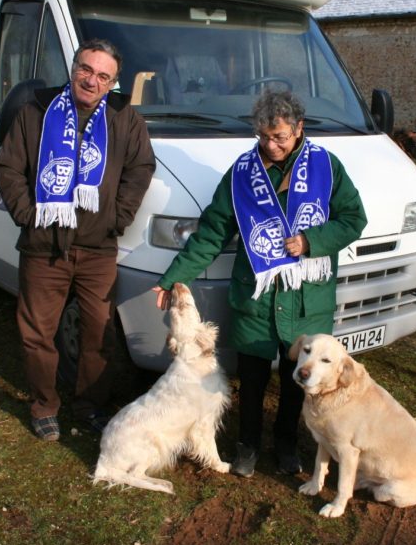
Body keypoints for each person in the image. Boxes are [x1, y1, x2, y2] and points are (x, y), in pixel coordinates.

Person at [152, 91, 366, 476]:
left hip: (306, 300)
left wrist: (311, 241)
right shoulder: (242, 173)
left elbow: (353, 219)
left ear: (299, 129)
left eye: (280, 137)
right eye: (264, 136)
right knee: (250, 382)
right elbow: (213, 231)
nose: (271, 145)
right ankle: (247, 445)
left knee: (294, 381)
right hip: (257, 299)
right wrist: (173, 277)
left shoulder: (327, 167)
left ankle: (285, 444)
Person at [0, 39, 156, 440]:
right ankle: (45, 405)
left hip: (97, 248)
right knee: (37, 332)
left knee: (98, 332)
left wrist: (118, 217)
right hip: (43, 246)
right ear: (73, 67)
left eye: (103, 75)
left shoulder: (124, 118)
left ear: (112, 82)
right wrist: (29, 216)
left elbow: (140, 168)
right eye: (86, 69)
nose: (92, 80)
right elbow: (8, 167)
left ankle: (91, 405)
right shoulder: (37, 109)